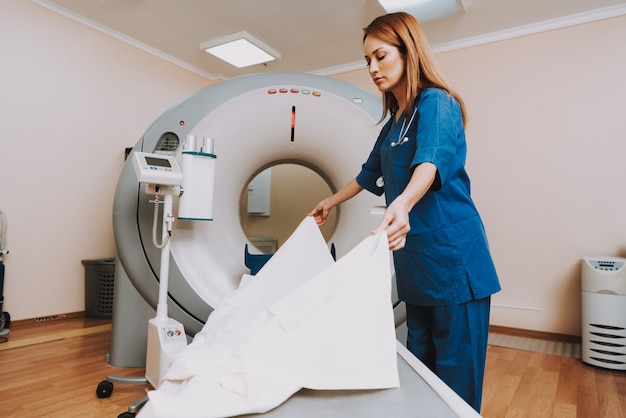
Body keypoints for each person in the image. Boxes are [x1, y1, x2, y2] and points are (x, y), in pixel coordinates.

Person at [308, 12, 501, 413]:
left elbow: (428, 164)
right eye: (367, 61)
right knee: (420, 371)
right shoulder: (393, 121)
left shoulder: (437, 103)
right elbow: (367, 175)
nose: (373, 69)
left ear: (408, 52)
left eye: (380, 56)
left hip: (454, 262)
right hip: (416, 265)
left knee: (455, 377)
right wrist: (330, 200)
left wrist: (402, 202)